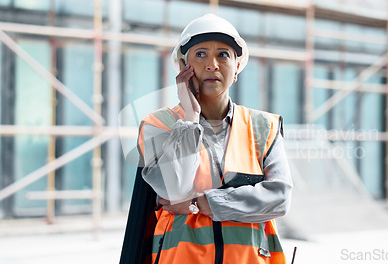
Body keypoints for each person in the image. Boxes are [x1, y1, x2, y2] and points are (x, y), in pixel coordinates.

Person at [120, 14, 292, 264]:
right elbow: (174, 189)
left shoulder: (264, 127)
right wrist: (190, 119)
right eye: (200, 54)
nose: (212, 64)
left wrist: (200, 202)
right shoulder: (158, 125)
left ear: (236, 69)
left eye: (223, 54)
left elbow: (279, 198)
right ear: (182, 67)